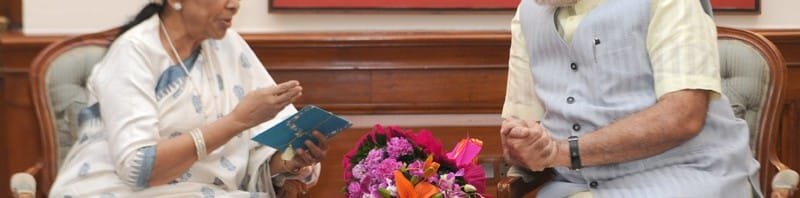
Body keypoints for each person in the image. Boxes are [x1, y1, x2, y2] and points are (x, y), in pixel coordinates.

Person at [49, 0, 327, 197]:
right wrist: (236, 122)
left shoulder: (228, 46)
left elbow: (257, 149)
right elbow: (138, 168)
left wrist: (287, 162)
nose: (234, 4)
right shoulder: (134, 53)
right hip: (118, 190)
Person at [500, 0, 760, 197]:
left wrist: (563, 152)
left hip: (686, 176)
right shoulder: (527, 12)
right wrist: (522, 146)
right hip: (574, 187)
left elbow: (683, 116)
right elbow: (520, 129)